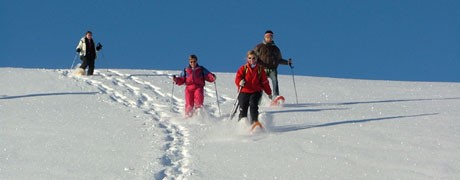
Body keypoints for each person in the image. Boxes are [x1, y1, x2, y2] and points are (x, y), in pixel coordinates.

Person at [235, 50, 272, 130]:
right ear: (247, 59)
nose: (252, 60)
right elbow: (237, 78)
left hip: (256, 91)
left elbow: (265, 82)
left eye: (254, 58)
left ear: (257, 58)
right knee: (243, 106)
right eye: (250, 58)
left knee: (253, 105)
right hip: (244, 91)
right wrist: (240, 82)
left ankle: (255, 122)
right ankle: (242, 122)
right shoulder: (243, 68)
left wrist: (269, 92)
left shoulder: (260, 70)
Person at [254, 30, 292, 96]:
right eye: (267, 37)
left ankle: (276, 96)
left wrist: (287, 62)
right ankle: (258, 97)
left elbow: (279, 60)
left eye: (271, 37)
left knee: (275, 81)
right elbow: (253, 56)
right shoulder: (259, 47)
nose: (269, 38)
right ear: (264, 37)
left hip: (272, 69)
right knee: (261, 83)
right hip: (262, 69)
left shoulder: (276, 49)